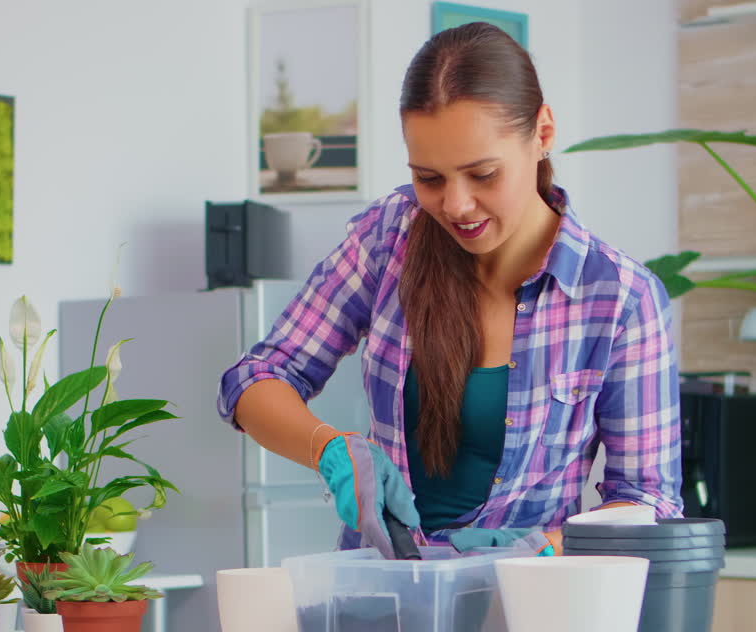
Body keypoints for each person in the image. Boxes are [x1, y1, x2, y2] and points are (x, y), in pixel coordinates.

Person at [216, 22, 683, 558]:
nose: (455, 206)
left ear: (543, 133)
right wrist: (330, 448)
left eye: (483, 174)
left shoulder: (620, 299)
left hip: (528, 613)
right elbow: (256, 378)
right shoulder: (390, 236)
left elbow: (648, 502)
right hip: (379, 604)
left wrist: (545, 548)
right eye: (430, 178)